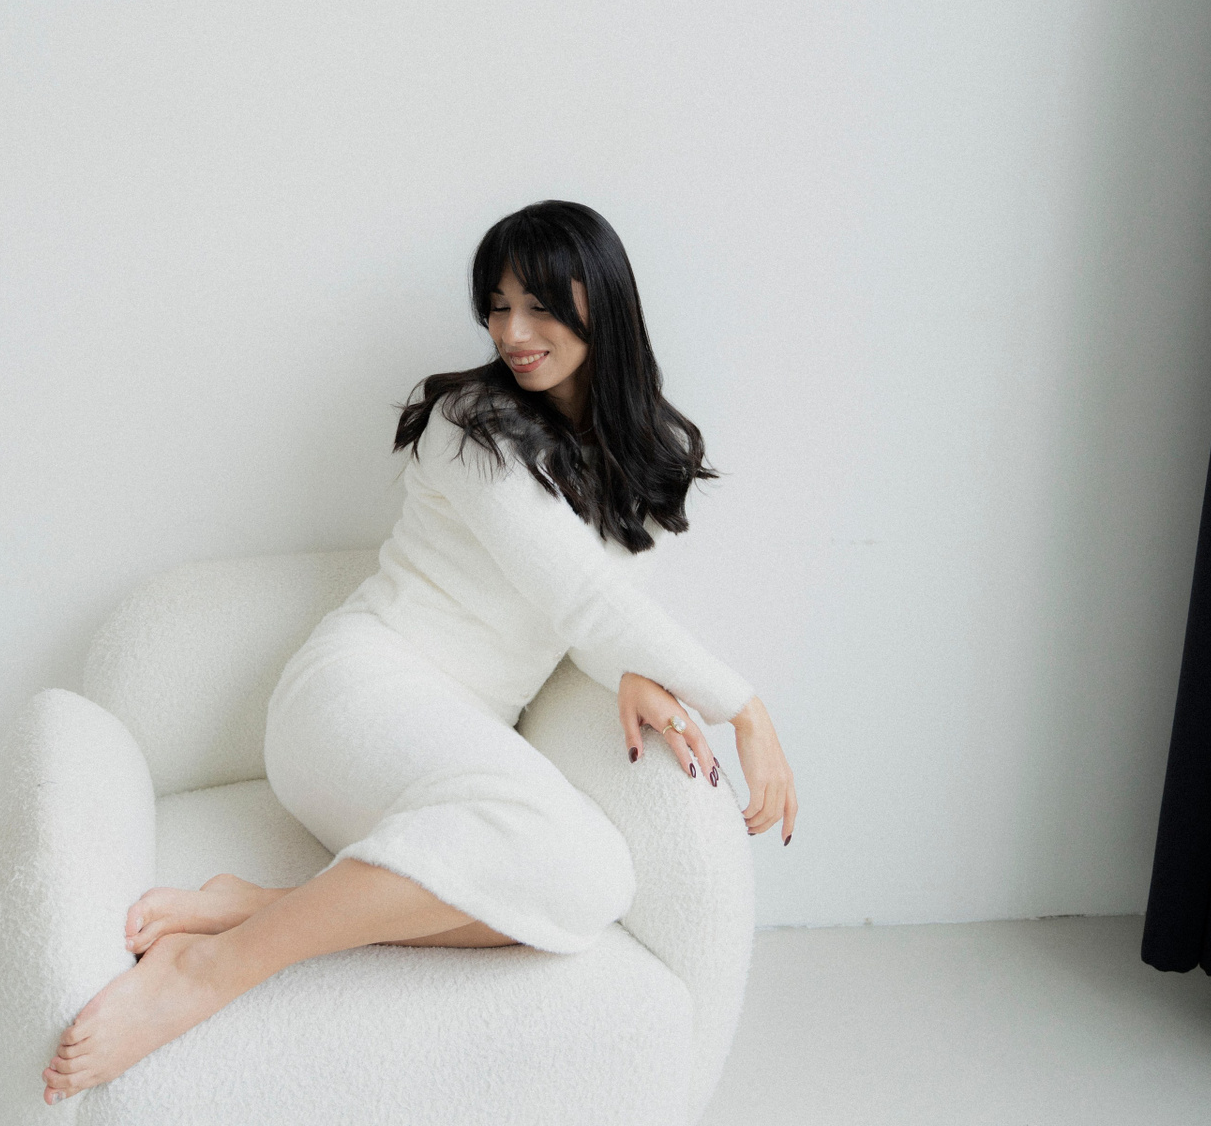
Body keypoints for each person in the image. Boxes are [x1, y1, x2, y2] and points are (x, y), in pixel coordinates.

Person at [41, 200, 797, 1105]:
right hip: (353, 700)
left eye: (540, 307)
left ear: (603, 303)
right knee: (558, 852)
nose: (512, 333)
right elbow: (581, 597)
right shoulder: (471, 424)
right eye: (498, 306)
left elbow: (607, 608)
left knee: (587, 884)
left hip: (456, 739)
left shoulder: (648, 454)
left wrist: (634, 668)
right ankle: (208, 971)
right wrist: (744, 709)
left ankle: (269, 907)